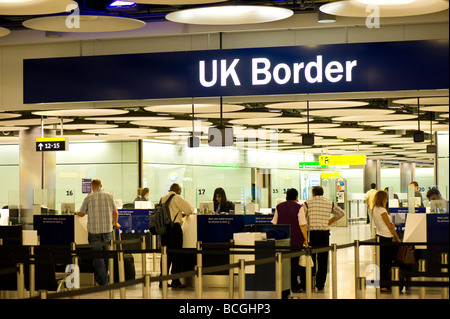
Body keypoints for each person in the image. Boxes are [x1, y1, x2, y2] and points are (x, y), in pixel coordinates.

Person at [75, 179, 120, 285]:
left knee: (98, 257)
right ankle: (105, 278)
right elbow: (115, 212)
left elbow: (81, 213)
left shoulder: (89, 197)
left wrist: (76, 212)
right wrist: (115, 223)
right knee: (106, 255)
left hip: (94, 232)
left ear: (92, 186)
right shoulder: (109, 196)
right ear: (101, 185)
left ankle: (103, 280)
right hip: (107, 231)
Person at [300, 186, 345, 291]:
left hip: (311, 234)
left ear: (313, 193)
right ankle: (320, 284)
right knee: (323, 259)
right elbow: (341, 213)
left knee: (310, 258)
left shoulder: (307, 203)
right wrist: (331, 220)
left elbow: (302, 218)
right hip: (324, 234)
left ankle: (309, 282)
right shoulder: (330, 203)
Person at [271, 188, 308, 293]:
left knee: (282, 263)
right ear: (296, 197)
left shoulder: (279, 206)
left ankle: (282, 286)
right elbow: (302, 225)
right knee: (294, 264)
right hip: (296, 240)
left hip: (282, 240)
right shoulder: (299, 207)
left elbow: (274, 223)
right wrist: (306, 239)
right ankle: (294, 286)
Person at [159, 183, 194, 288]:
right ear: (178, 190)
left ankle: (162, 280)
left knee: (165, 254)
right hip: (174, 229)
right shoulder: (176, 197)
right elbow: (189, 210)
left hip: (164, 229)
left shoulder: (162, 198)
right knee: (176, 254)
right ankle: (175, 280)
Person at [371, 190, 401, 292]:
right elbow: (389, 226)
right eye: (386, 198)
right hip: (386, 237)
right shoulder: (382, 210)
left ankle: (381, 283)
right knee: (386, 263)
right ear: (383, 199)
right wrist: (397, 237)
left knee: (382, 261)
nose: (387, 200)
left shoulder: (374, 209)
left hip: (379, 235)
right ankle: (384, 285)